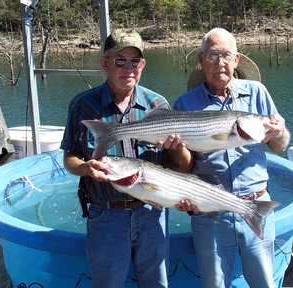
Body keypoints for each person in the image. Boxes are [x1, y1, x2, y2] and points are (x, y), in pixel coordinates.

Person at [162, 28, 291, 288]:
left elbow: (280, 146)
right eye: (212, 56)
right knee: (215, 284)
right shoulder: (185, 104)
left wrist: (278, 132)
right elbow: (185, 167)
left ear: (236, 60)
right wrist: (176, 150)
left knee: (265, 281)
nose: (219, 62)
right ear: (201, 61)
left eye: (225, 55)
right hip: (211, 210)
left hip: (256, 204)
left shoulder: (257, 93)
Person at [61, 30, 169, 288]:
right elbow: (69, 157)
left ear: (142, 65)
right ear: (104, 63)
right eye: (120, 61)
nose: (128, 68)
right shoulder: (83, 106)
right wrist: (85, 169)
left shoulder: (158, 105)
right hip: (106, 216)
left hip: (151, 214)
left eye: (135, 61)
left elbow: (174, 166)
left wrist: (177, 148)